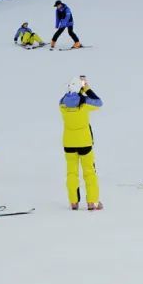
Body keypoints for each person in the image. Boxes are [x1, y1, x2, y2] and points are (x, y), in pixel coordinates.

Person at [60, 76, 103, 210]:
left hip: (69, 143)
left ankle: (73, 202)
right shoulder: (84, 103)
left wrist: (75, 86)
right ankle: (92, 202)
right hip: (84, 143)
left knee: (71, 173)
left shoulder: (62, 104)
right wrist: (86, 88)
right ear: (80, 88)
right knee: (89, 172)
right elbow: (99, 102)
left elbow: (68, 97)